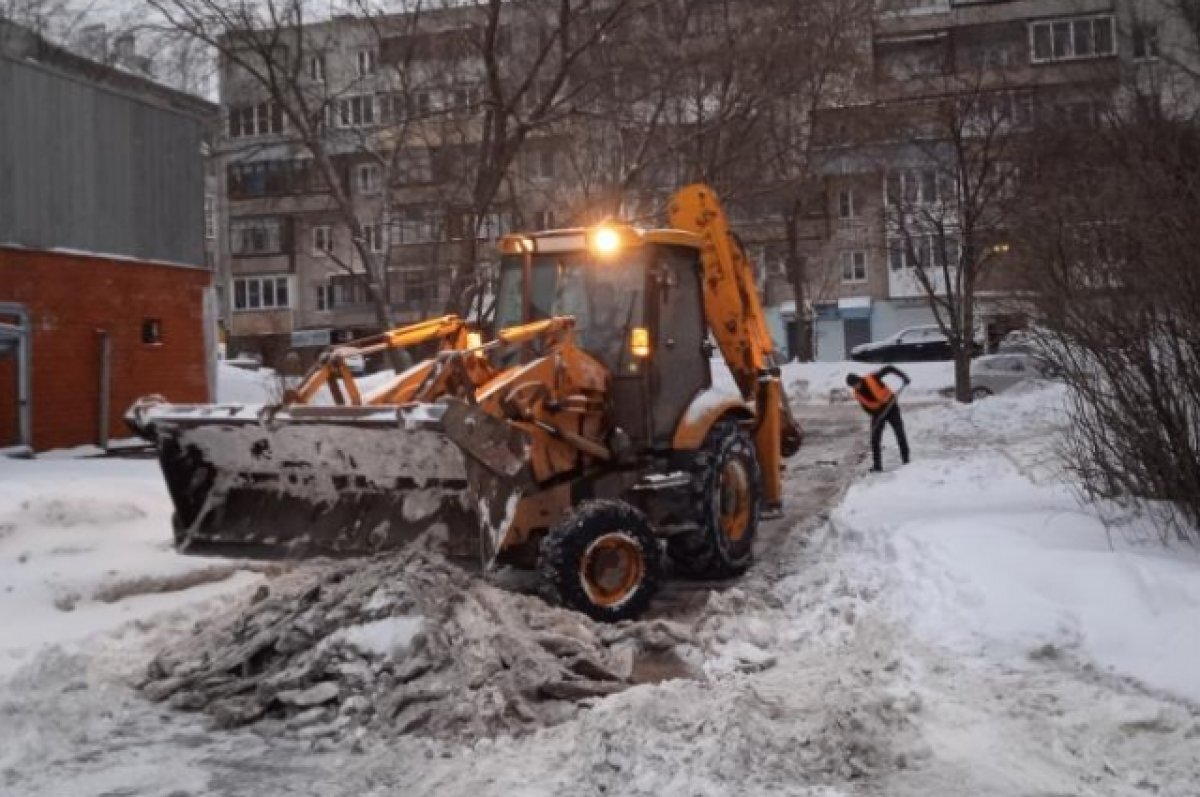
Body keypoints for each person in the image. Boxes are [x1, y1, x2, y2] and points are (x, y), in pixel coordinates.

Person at [846, 366, 911, 472]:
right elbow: (866, 408)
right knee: (874, 439)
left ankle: (906, 460)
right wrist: (876, 415)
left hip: (891, 406)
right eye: (853, 386)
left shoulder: (872, 377)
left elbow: (889, 368)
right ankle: (877, 466)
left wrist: (903, 376)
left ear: (859, 379)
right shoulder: (857, 393)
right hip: (878, 413)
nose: (856, 387)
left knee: (899, 432)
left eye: (856, 384)